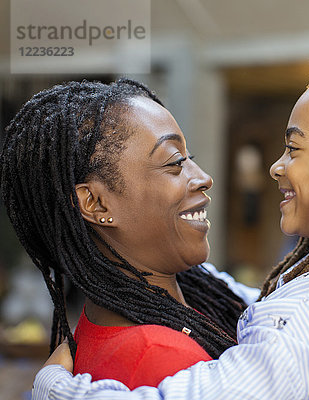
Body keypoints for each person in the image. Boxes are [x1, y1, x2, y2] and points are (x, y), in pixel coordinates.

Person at [32, 60, 309, 399]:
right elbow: (261, 305)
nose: (276, 166)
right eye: (173, 163)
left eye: (293, 148)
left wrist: (55, 386)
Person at [0, 79, 257, 389]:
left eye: (192, 158)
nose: (204, 178)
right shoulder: (162, 358)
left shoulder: (160, 306)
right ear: (96, 203)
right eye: (175, 162)